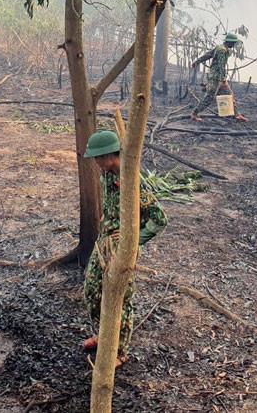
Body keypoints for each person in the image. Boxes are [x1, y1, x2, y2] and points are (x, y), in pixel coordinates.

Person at [81, 130, 168, 367]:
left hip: (123, 249)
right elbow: (112, 201)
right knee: (92, 291)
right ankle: (103, 336)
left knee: (122, 299)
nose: (95, 163)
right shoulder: (107, 175)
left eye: (97, 158)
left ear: (109, 156)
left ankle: (119, 351)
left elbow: (159, 219)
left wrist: (135, 238)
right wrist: (107, 214)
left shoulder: (134, 182)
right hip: (104, 243)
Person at [189, 32, 248, 121]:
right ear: (229, 42)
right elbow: (221, 66)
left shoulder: (220, 47)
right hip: (216, 78)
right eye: (233, 43)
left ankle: (236, 114)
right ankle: (194, 114)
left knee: (229, 95)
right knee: (209, 97)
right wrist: (223, 80)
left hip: (217, 77)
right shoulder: (222, 50)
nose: (233, 45)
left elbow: (208, 54)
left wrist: (197, 61)